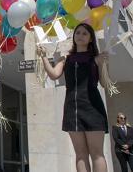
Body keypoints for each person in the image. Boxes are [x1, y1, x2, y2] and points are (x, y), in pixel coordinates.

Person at [40, 23, 109, 172]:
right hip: (72, 108)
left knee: (96, 153)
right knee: (80, 154)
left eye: (85, 33)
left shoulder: (97, 58)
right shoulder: (66, 59)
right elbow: (53, 75)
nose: (80, 36)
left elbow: (104, 83)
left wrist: (102, 64)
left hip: (93, 108)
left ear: (91, 38)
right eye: (78, 33)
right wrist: (44, 57)